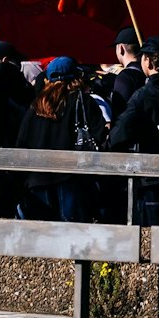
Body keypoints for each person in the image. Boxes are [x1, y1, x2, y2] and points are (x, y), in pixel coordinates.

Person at [15, 57, 110, 222]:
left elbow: (21, 143)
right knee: (72, 232)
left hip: (37, 181)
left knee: (41, 232)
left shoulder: (35, 106)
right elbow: (100, 135)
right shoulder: (82, 101)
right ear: (76, 77)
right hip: (72, 179)